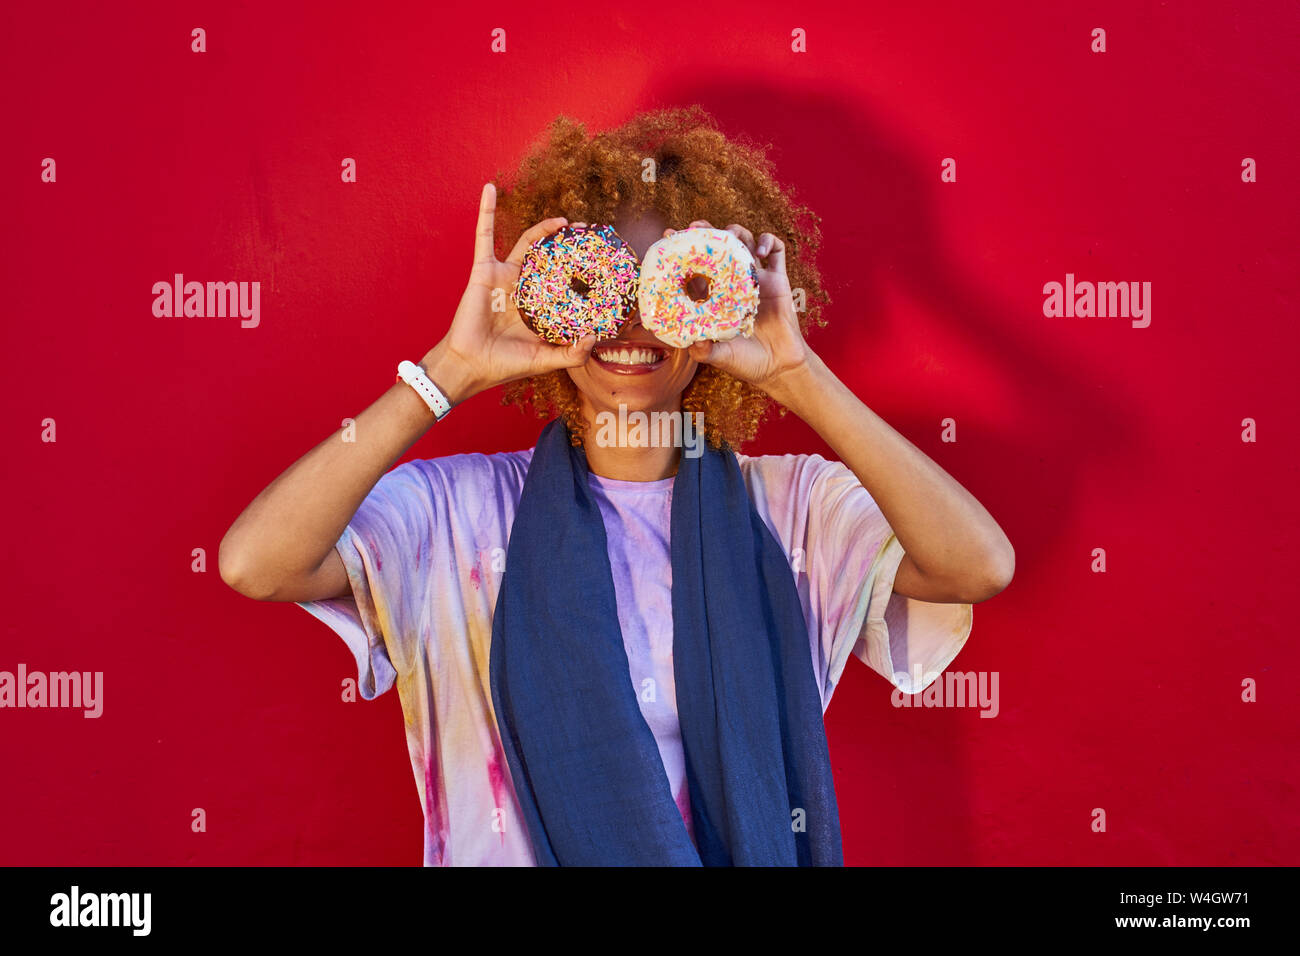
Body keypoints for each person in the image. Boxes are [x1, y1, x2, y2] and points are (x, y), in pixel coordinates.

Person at [218, 107, 1014, 866]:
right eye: (598, 291)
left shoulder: (795, 511)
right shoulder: (454, 513)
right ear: (551, 301)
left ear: (714, 307)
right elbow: (258, 563)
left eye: (669, 294)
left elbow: (975, 566)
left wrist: (797, 375)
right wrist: (449, 372)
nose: (630, 325)